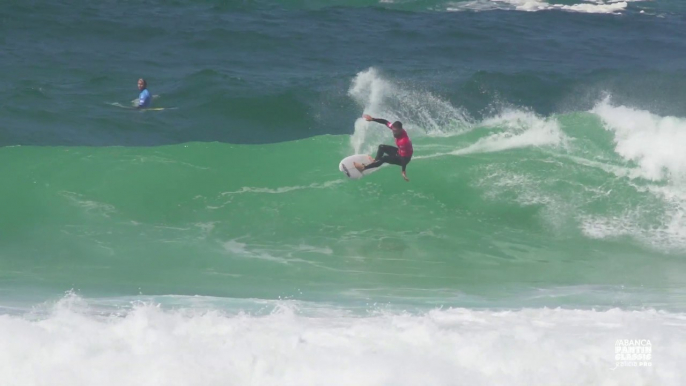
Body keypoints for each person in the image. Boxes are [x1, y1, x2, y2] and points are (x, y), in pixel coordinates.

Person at [354, 114, 413, 182]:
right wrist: (373, 119)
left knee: (384, 158)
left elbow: (404, 159)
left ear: (400, 130)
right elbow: (385, 122)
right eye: (393, 130)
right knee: (381, 147)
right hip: (399, 152)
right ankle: (376, 161)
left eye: (396, 131)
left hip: (403, 159)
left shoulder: (404, 141)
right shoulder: (395, 128)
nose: (394, 132)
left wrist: (403, 171)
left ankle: (363, 168)